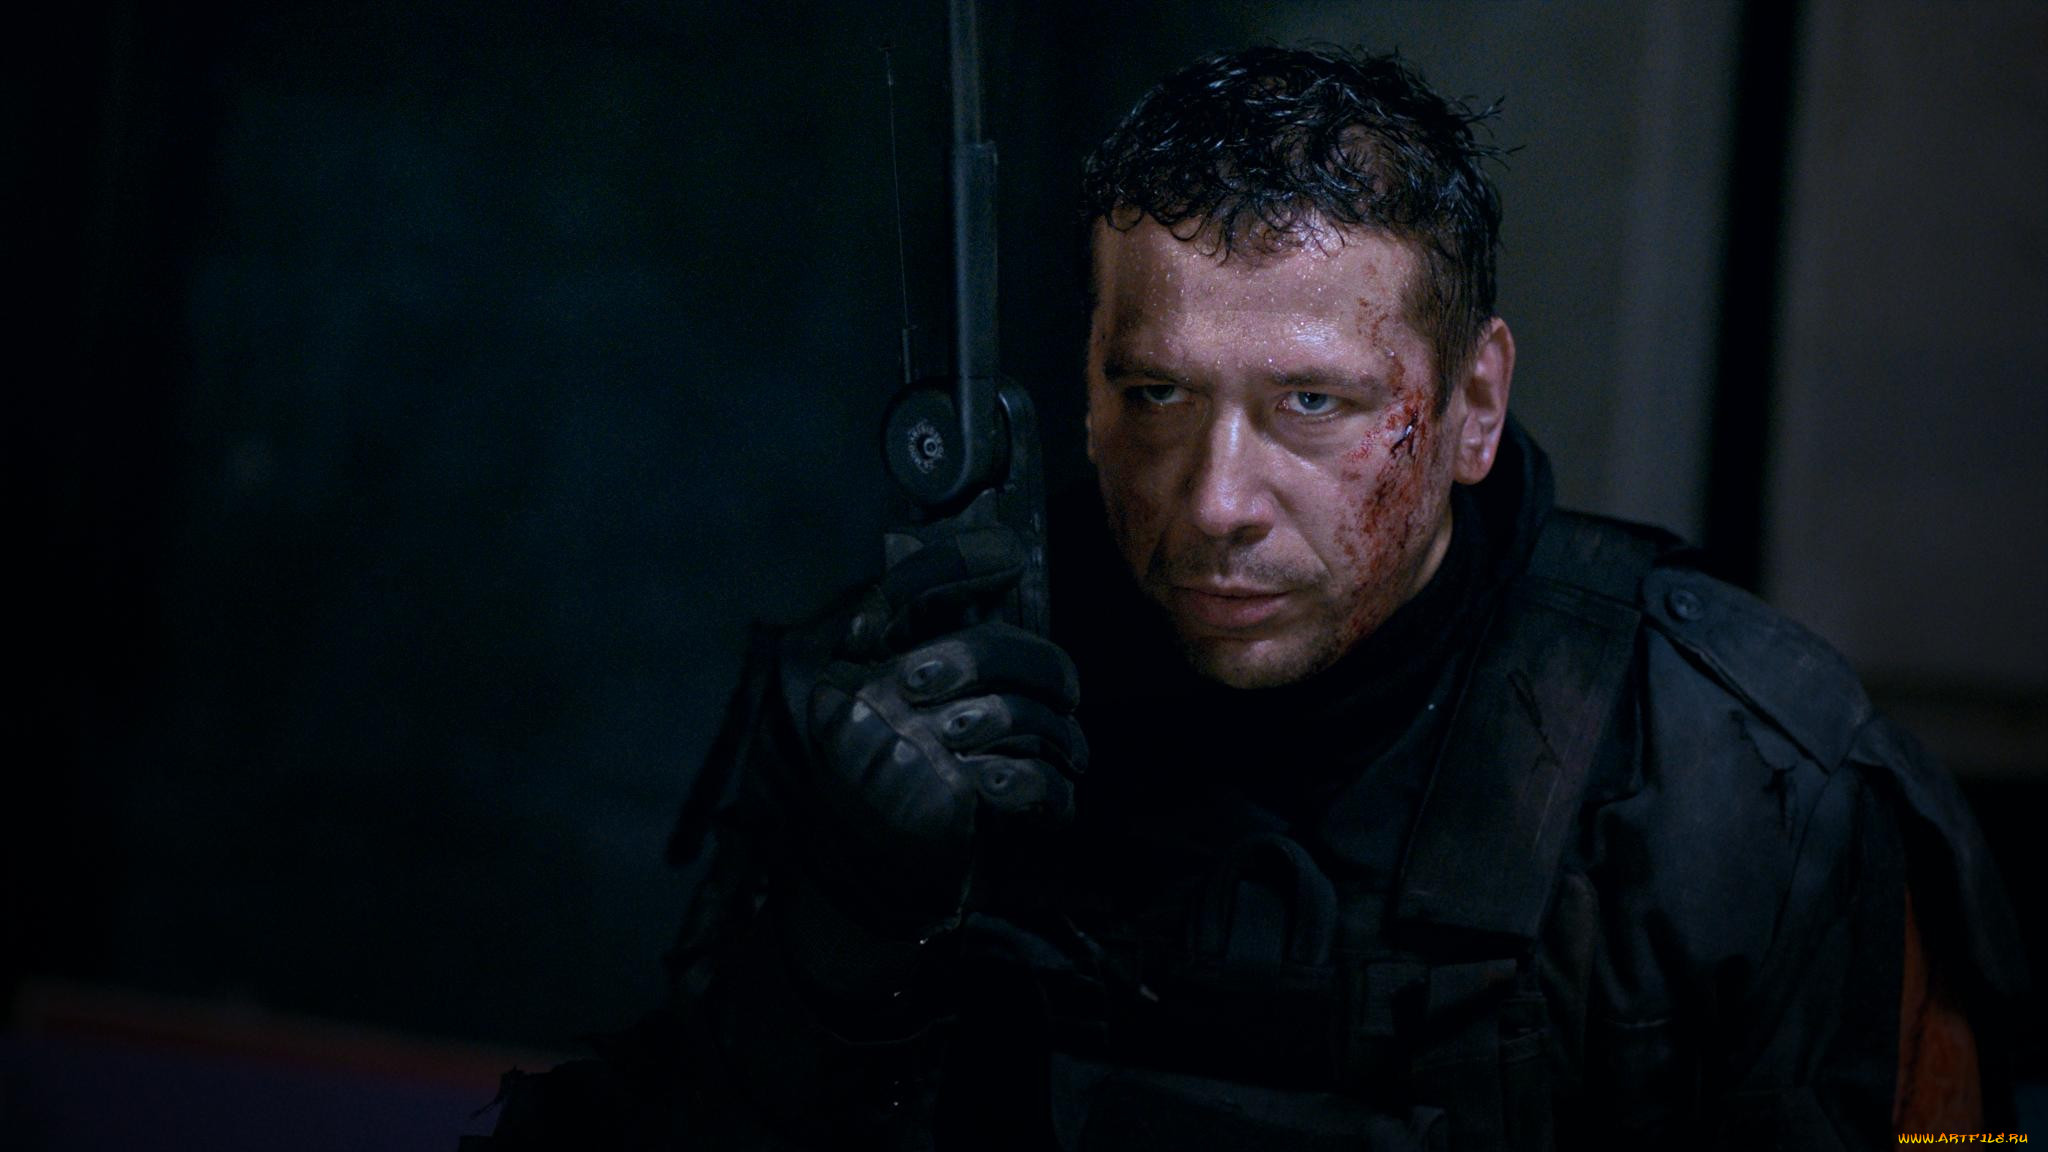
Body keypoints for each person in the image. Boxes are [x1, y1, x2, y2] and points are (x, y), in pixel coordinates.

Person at [475, 46, 2024, 1150]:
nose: (1214, 500)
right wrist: (846, 925)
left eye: (1312, 406)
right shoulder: (940, 690)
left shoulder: (1748, 781)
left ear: (1473, 406)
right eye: (1155, 394)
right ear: (1087, 391)